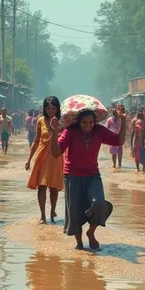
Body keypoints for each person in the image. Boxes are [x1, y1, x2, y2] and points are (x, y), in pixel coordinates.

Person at [51, 107, 126, 251]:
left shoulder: (99, 131)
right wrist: (55, 133)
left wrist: (123, 119)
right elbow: (56, 153)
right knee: (74, 212)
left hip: (92, 175)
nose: (88, 126)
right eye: (84, 122)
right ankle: (79, 243)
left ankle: (91, 232)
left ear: (95, 122)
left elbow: (119, 141)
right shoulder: (70, 131)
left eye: (91, 122)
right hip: (72, 176)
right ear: (78, 122)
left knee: (99, 204)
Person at [26, 96, 64, 223]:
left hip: (55, 157)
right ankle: (42, 215)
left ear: (57, 109)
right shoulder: (40, 121)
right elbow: (36, 141)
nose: (51, 111)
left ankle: (52, 211)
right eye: (48, 108)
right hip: (42, 156)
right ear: (44, 109)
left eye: (53, 108)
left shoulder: (61, 123)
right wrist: (29, 159)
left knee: (53, 187)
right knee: (41, 186)